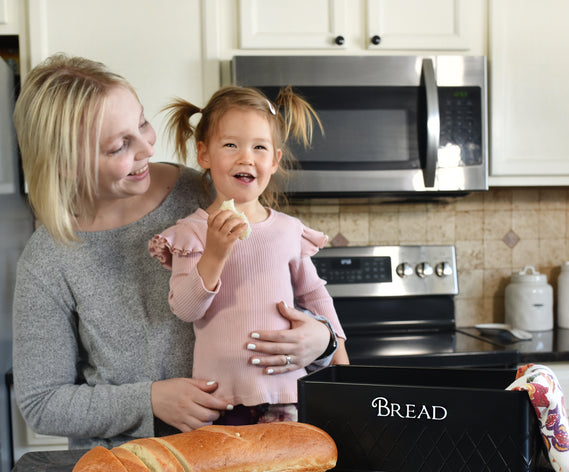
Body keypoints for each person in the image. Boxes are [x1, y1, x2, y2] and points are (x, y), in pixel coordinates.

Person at [11, 54, 339, 450]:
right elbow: (42, 402)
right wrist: (148, 400)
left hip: (247, 445)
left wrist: (322, 342)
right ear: (67, 164)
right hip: (136, 466)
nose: (148, 148)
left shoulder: (206, 191)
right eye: (120, 146)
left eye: (143, 123)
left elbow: (283, 286)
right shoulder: (48, 259)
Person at [149, 86, 348, 425]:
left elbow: (314, 293)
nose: (246, 157)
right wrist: (214, 253)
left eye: (259, 147)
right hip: (217, 400)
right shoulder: (191, 232)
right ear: (204, 155)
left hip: (287, 394)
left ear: (274, 161)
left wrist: (338, 355)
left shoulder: (287, 230)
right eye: (231, 145)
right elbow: (185, 309)